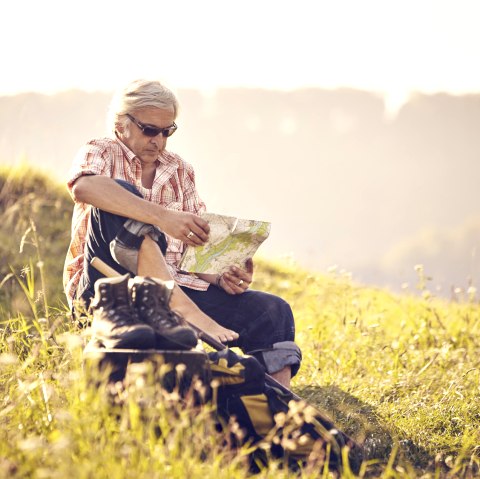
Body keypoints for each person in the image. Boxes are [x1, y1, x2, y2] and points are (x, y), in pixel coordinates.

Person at [63, 79, 301, 387]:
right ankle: (178, 304)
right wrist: (163, 217)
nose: (158, 141)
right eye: (150, 130)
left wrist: (221, 275)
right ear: (120, 124)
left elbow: (193, 252)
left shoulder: (179, 170)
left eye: (167, 131)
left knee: (272, 311)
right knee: (118, 195)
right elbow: (84, 187)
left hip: (180, 285)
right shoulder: (100, 151)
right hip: (111, 289)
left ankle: (274, 403)